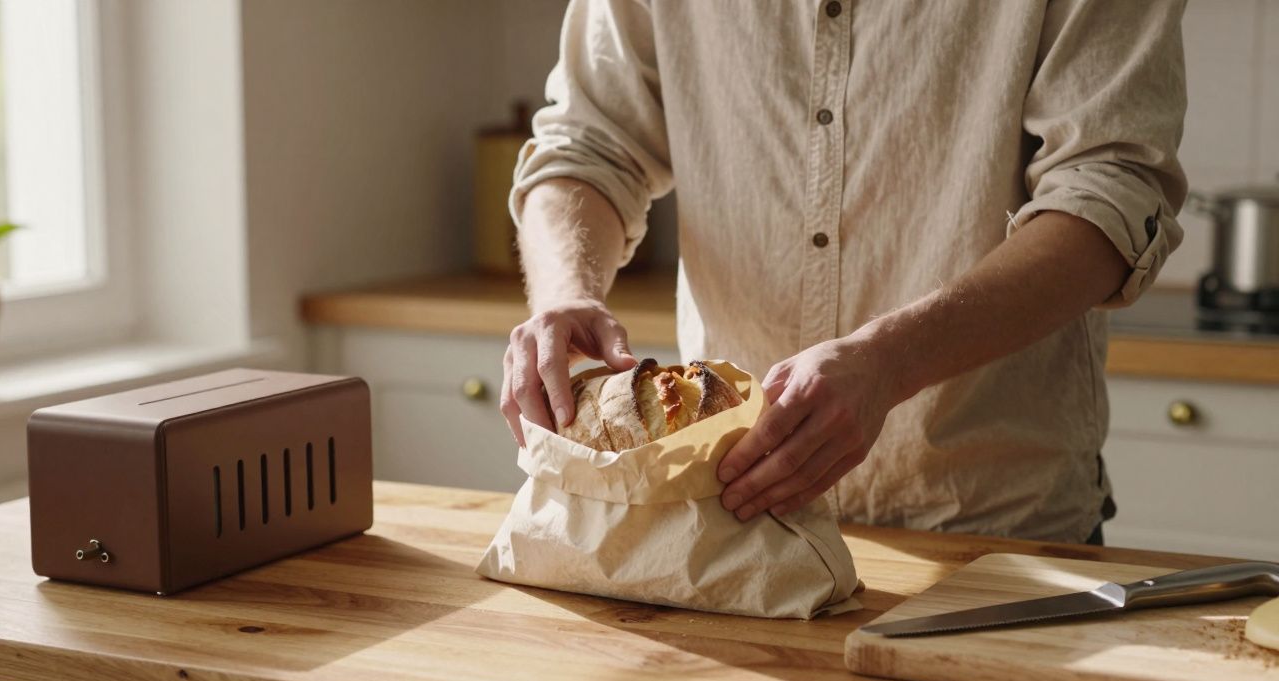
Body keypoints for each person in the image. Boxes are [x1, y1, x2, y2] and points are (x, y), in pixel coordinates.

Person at [499, 0, 1188, 544]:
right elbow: (588, 146)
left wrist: (891, 360)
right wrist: (565, 293)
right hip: (734, 524)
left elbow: (1111, 191)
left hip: (994, 528)